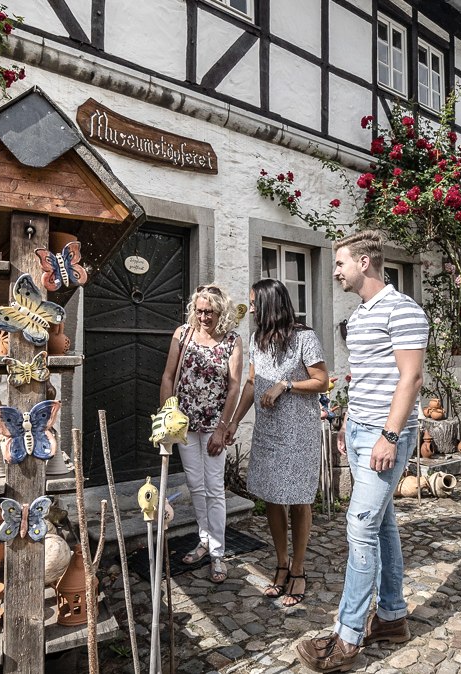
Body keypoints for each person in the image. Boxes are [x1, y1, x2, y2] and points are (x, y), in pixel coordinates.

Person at [296, 230, 426, 672]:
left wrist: (389, 436)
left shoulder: (403, 309)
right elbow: (365, 374)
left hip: (385, 435)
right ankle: (391, 617)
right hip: (359, 431)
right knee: (383, 523)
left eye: (339, 263)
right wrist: (348, 420)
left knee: (360, 525)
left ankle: (348, 637)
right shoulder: (362, 314)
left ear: (365, 263)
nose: (335, 271)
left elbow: (411, 379)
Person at [222, 278, 329, 607]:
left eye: (254, 302)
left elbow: (322, 381)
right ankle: (281, 564)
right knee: (271, 498)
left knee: (298, 500)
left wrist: (286, 384)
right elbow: (252, 383)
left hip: (298, 432)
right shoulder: (256, 339)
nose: (250, 307)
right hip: (268, 431)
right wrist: (233, 421)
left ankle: (298, 570)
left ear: (269, 304)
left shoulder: (304, 338)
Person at [158, 284, 245, 583]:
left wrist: (223, 428)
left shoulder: (233, 341)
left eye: (209, 311)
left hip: (213, 425)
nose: (203, 316)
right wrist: (167, 417)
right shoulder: (182, 334)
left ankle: (218, 554)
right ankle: (204, 540)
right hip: (184, 424)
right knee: (196, 485)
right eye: (199, 310)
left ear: (221, 312)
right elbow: (169, 376)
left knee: (214, 489)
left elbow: (234, 386)